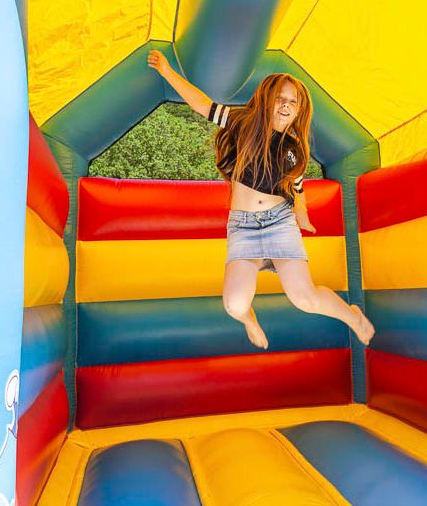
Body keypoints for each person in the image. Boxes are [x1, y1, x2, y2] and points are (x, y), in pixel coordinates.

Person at [147, 49, 375, 349]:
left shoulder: (294, 149)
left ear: (298, 111)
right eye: (280, 97)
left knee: (304, 299)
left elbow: (296, 185)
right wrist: (166, 71)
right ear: (267, 99)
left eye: (293, 102)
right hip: (242, 226)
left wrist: (302, 212)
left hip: (278, 222)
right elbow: (203, 105)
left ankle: (352, 316)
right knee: (235, 305)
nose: (285, 105)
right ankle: (249, 320)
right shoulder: (244, 123)